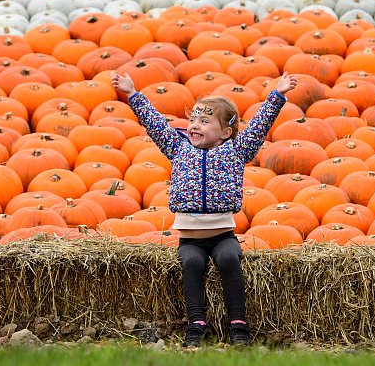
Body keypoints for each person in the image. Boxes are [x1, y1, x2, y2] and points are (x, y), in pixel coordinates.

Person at [112, 70, 298, 348]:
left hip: (223, 235)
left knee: (228, 259)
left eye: (204, 120)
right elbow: (154, 124)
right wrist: (132, 93)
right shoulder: (177, 147)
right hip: (190, 239)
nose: (194, 125)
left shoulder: (236, 151)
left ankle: (238, 323)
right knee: (192, 263)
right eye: (193, 119)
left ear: (225, 132)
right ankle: (196, 323)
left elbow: (259, 126)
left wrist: (277, 95)